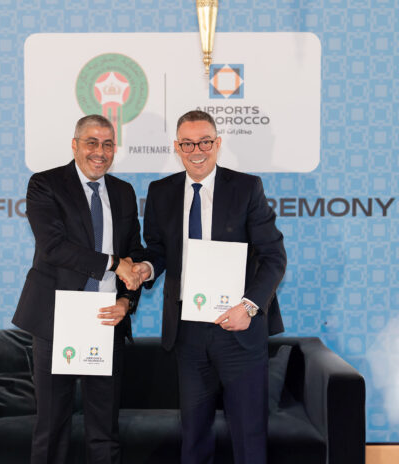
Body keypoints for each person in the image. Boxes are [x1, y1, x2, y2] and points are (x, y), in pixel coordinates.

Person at [133, 110, 286, 464]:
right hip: (187, 333)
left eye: (204, 142)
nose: (197, 151)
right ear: (177, 147)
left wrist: (249, 307)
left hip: (239, 328)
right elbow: (158, 251)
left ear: (217, 144)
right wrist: (145, 268)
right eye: (188, 144)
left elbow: (274, 256)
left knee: (249, 436)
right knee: (194, 436)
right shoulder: (160, 192)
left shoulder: (247, 188)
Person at [12, 114, 143, 464]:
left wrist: (126, 300)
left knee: (105, 431)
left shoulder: (123, 192)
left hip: (107, 320)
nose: (100, 151)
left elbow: (133, 252)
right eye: (92, 142)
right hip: (57, 320)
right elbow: (54, 247)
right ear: (74, 145)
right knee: (51, 428)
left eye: (108, 144)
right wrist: (114, 263)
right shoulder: (45, 184)